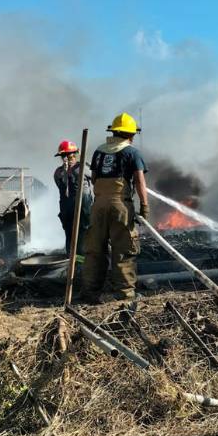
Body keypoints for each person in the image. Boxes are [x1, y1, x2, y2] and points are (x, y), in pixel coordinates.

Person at [79, 113, 149, 303]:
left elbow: (93, 179)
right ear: (130, 134)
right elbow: (140, 181)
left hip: (98, 206)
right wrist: (144, 206)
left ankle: (90, 294)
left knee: (94, 251)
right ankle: (125, 295)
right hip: (120, 206)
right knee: (123, 250)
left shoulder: (99, 152)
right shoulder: (132, 152)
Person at [52, 140, 93, 260]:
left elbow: (60, 187)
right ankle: (80, 263)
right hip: (82, 207)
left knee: (70, 234)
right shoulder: (82, 168)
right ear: (74, 154)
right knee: (83, 233)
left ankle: (71, 261)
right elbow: (96, 178)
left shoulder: (58, 172)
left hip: (67, 208)